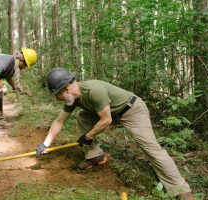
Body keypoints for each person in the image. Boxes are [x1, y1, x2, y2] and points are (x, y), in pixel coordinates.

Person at [36, 67, 194, 200]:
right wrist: (45, 143)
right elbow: (59, 121)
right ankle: (94, 156)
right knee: (82, 116)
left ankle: (181, 189)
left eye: (58, 95)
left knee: (150, 147)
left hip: (132, 110)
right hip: (112, 112)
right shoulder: (72, 99)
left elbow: (105, 120)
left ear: (66, 89)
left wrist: (88, 137)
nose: (58, 99)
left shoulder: (93, 91)